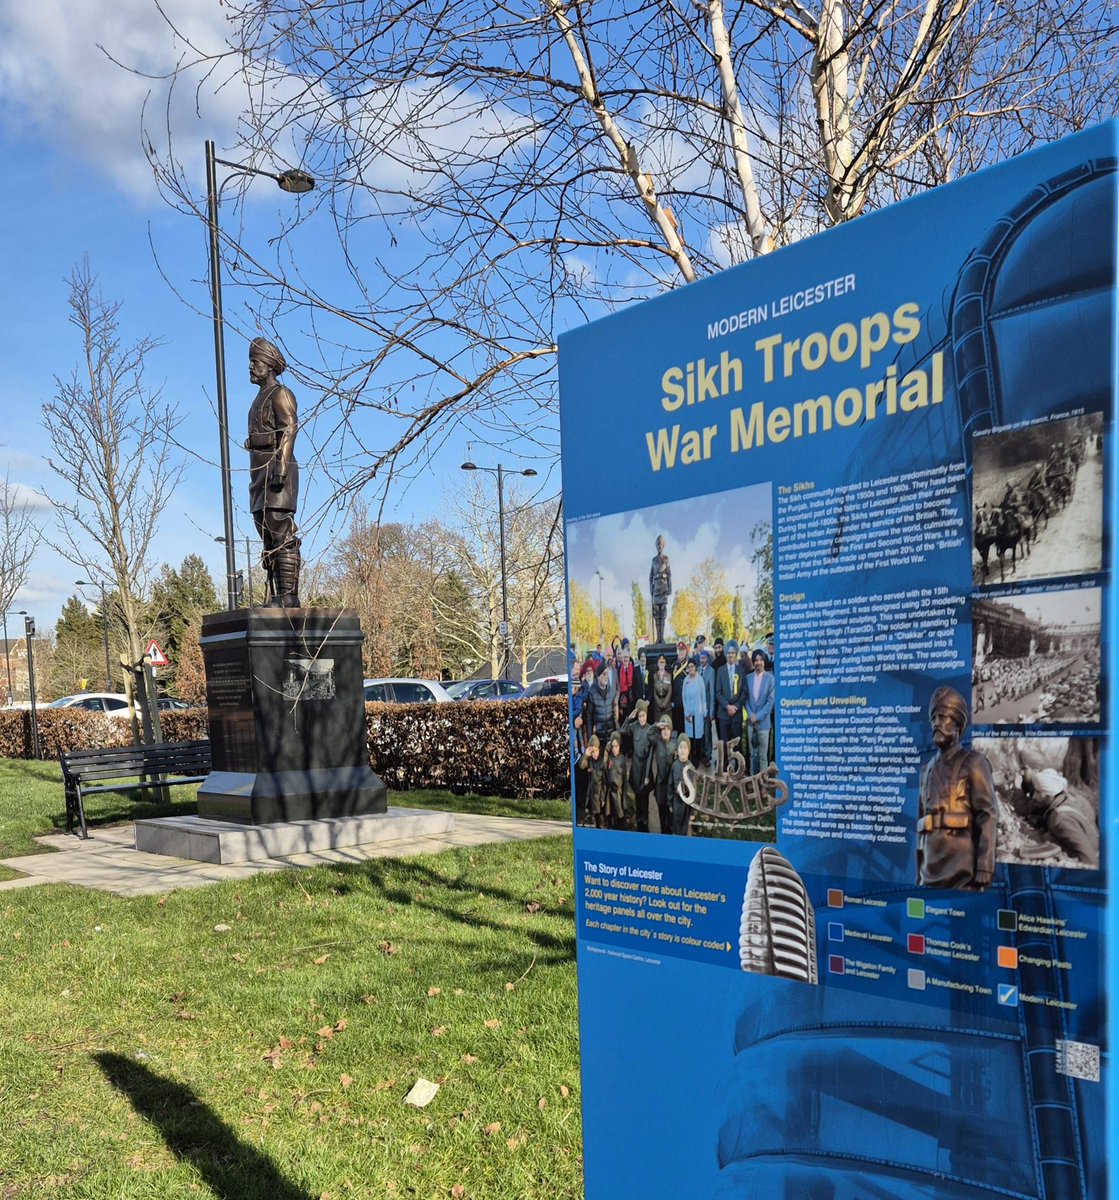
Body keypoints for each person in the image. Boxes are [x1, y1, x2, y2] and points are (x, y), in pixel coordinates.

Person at [916, 686, 997, 890]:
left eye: (943, 717)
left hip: (962, 873)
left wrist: (985, 865)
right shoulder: (926, 771)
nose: (936, 723)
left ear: (958, 724)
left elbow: (987, 813)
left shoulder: (974, 763)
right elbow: (920, 824)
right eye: (934, 718)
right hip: (928, 872)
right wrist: (917, 873)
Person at [244, 337, 301, 607]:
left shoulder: (281, 394)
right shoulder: (257, 400)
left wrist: (281, 465)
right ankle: (275, 595)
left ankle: (288, 596)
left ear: (268, 366)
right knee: (266, 532)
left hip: (277, 469)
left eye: (255, 362)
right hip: (259, 472)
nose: (250, 367)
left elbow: (289, 428)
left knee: (281, 530)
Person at [624, 700, 656, 832]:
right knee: (637, 796)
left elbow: (650, 754)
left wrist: (647, 775)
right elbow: (623, 730)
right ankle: (638, 819)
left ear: (647, 715)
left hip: (645, 768)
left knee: (645, 797)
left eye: (644, 716)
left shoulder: (650, 729)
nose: (642, 718)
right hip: (636, 767)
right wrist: (629, 718)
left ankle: (645, 819)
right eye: (640, 716)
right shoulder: (634, 726)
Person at [745, 650, 775, 774]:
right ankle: (752, 779)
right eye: (756, 660)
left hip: (763, 723)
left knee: (763, 755)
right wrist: (750, 714)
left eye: (761, 660)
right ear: (753, 662)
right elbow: (745, 699)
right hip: (751, 723)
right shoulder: (748, 678)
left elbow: (770, 702)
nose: (758, 662)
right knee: (752, 754)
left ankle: (762, 781)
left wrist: (758, 716)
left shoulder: (770, 679)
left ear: (764, 661)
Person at [715, 640, 745, 748]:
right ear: (725, 654)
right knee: (724, 744)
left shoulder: (741, 670)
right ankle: (725, 759)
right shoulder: (720, 670)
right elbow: (718, 692)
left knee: (737, 744)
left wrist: (735, 707)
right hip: (723, 714)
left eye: (732, 653)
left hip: (737, 714)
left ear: (736, 654)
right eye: (728, 653)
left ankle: (737, 759)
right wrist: (727, 706)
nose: (730, 655)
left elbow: (744, 691)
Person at [652, 715, 675, 835]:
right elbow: (648, 734)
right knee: (661, 816)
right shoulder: (657, 742)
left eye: (668, 728)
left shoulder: (675, 746)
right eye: (663, 729)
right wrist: (656, 726)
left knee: (670, 819)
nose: (665, 731)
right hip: (660, 786)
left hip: (671, 788)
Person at [578, 734, 606, 828]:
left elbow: (605, 781)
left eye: (596, 751)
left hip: (599, 794)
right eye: (592, 751)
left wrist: (603, 798)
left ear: (599, 750)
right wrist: (586, 755)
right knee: (591, 819)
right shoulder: (589, 760)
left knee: (600, 819)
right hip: (590, 795)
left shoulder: (602, 761)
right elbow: (581, 766)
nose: (594, 754)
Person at [649, 535, 672, 643]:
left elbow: (669, 574)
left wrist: (669, 588)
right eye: (658, 544)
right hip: (656, 589)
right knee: (656, 614)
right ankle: (658, 637)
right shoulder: (653, 560)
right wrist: (651, 590)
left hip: (663, 588)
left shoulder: (666, 559)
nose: (660, 546)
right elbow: (650, 576)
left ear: (663, 546)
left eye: (661, 544)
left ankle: (662, 637)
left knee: (662, 613)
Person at [671, 734, 693, 836]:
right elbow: (670, 785)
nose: (683, 750)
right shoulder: (674, 766)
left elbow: (694, 791)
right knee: (675, 826)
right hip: (676, 802)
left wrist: (692, 812)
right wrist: (670, 803)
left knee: (684, 828)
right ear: (677, 750)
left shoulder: (691, 768)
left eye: (685, 748)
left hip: (686, 804)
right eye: (680, 747)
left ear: (688, 751)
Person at [649, 653, 673, 726]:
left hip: (667, 706)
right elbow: (654, 692)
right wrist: (659, 704)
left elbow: (670, 691)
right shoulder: (654, 675)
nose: (661, 664)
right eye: (660, 662)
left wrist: (664, 704)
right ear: (657, 663)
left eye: (663, 662)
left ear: (665, 663)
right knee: (658, 727)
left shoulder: (669, 675)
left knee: (667, 726)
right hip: (657, 707)